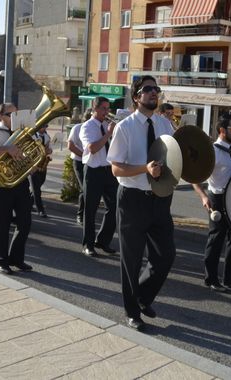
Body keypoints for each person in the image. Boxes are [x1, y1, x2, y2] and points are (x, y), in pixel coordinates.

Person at [107, 75, 176, 331]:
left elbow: (173, 158)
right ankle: (132, 312)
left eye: (156, 89)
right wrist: (144, 169)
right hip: (133, 200)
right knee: (132, 260)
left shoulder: (165, 125)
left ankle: (143, 296)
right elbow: (116, 168)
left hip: (160, 199)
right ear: (136, 97)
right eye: (147, 89)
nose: (153, 93)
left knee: (165, 256)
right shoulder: (125, 127)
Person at [192, 113, 231, 291]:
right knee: (216, 239)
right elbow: (194, 177)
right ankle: (211, 279)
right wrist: (203, 196)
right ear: (222, 130)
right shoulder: (213, 152)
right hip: (217, 199)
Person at [0, 103, 33, 275]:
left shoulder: (24, 132)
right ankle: (2, 260)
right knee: (2, 223)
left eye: (17, 113)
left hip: (21, 182)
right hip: (1, 185)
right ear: (0, 116)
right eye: (11, 114)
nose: (15, 117)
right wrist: (6, 148)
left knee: (25, 223)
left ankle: (16, 258)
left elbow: (28, 156)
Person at [79, 97, 119, 257]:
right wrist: (108, 134)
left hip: (109, 170)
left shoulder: (106, 125)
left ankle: (102, 240)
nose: (107, 112)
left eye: (108, 108)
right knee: (90, 209)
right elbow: (93, 148)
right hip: (93, 171)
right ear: (94, 109)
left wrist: (116, 131)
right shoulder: (86, 127)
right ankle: (87, 245)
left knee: (115, 207)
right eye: (103, 109)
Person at [67, 109, 91, 225]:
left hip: (91, 163)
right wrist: (84, 155)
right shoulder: (77, 128)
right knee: (84, 188)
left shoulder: (97, 128)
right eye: (88, 118)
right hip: (79, 161)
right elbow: (70, 146)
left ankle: (88, 214)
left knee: (90, 189)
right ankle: (80, 215)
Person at [29, 124, 52, 217]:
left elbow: (50, 149)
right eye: (43, 126)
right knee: (37, 189)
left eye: (45, 127)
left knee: (39, 185)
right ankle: (40, 210)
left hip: (43, 164)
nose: (44, 128)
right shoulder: (32, 136)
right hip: (33, 164)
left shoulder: (47, 136)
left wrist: (49, 150)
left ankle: (28, 204)